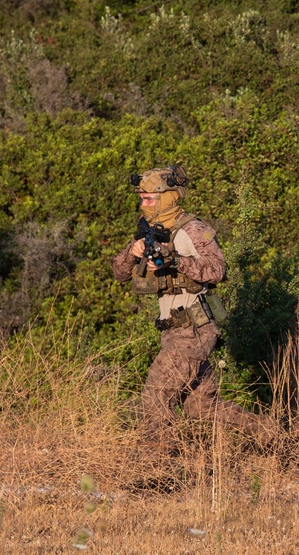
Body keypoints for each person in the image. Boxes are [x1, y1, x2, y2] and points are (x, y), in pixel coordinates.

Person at [112, 166, 283, 487]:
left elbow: (218, 269)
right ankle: (275, 436)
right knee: (202, 406)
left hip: (194, 328)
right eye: (142, 199)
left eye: (149, 198)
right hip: (172, 331)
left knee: (155, 397)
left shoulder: (192, 229)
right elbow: (120, 273)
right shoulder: (148, 230)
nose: (143, 204)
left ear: (168, 197)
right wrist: (131, 252)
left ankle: (158, 475)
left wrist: (176, 261)